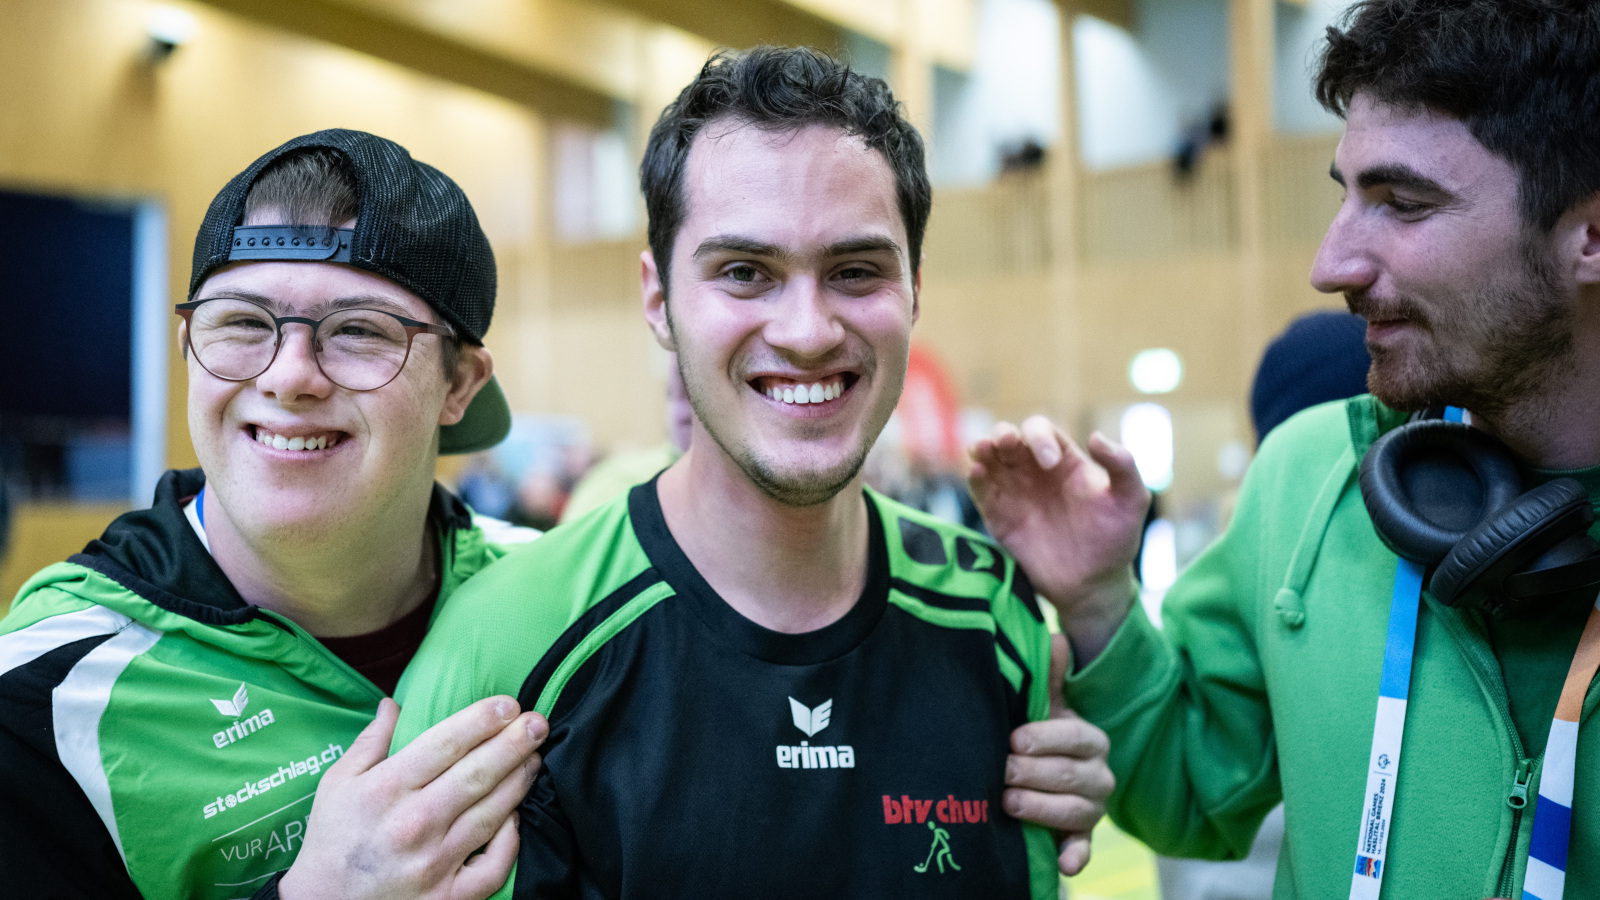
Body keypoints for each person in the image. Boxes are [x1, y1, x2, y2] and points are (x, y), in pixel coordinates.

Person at [394, 46, 1115, 898]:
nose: (807, 330)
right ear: (658, 297)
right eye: (745, 272)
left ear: (915, 290)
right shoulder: (504, 648)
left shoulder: (993, 616)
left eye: (854, 271)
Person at [968, 2, 1600, 898]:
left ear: (1591, 236)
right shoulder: (1310, 478)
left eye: (1403, 204)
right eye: (1343, 195)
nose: (1331, 262)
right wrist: (1101, 602)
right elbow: (1188, 789)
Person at [0, 129, 546, 900]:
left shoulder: (556, 602)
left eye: (358, 330)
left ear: (459, 383)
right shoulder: (46, 694)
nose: (289, 376)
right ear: (190, 345)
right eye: (243, 323)